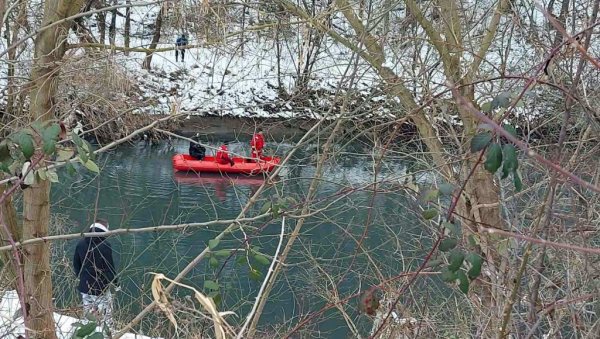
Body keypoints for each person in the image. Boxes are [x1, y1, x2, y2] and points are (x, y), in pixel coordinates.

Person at [73, 219, 118, 331]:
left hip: (85, 286)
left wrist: (82, 277)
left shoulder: (81, 243)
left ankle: (87, 333)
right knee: (106, 317)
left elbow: (76, 264)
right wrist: (116, 283)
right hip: (101, 288)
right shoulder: (105, 245)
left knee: (88, 314)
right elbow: (109, 267)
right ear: (105, 229)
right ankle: (108, 334)